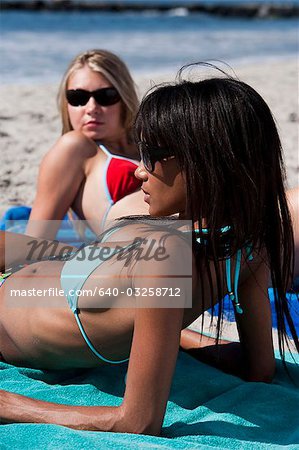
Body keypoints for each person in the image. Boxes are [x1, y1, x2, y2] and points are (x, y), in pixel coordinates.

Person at [1, 69, 298, 435]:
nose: (140, 171)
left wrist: (10, 404)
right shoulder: (246, 245)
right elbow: (259, 367)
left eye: (153, 155)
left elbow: (138, 421)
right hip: (32, 264)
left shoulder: (172, 255)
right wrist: (176, 337)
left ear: (206, 162)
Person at [25, 49, 148, 240]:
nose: (91, 108)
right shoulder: (73, 148)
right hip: (148, 254)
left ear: (125, 98)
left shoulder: (150, 141)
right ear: (66, 104)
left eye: (105, 96)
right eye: (78, 97)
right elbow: (34, 242)